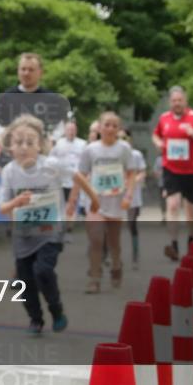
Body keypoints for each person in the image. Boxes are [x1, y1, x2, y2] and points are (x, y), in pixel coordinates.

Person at [0, 115, 99, 334]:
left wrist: (94, 198)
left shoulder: (51, 165)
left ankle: (56, 310)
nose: (24, 147)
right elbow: (2, 207)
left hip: (50, 232)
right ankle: (35, 319)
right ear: (10, 146)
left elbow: (78, 177)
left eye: (30, 142)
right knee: (25, 283)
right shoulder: (9, 172)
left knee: (43, 271)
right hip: (23, 236)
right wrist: (16, 202)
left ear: (40, 145)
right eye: (18, 142)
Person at [71, 112, 137, 293]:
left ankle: (116, 265)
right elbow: (80, 176)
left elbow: (131, 174)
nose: (110, 129)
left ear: (119, 129)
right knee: (96, 239)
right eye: (107, 124)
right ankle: (95, 277)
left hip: (116, 201)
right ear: (99, 127)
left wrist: (128, 196)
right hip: (95, 201)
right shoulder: (90, 150)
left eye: (115, 126)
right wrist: (73, 201)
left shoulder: (123, 149)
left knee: (114, 241)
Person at [152, 86, 193, 262]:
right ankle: (174, 244)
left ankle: (191, 239)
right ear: (169, 102)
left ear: (185, 101)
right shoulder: (164, 118)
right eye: (173, 101)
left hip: (192, 170)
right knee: (172, 205)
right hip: (170, 168)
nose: (177, 103)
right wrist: (159, 143)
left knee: (190, 209)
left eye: (180, 100)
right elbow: (155, 135)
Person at [0, 53, 64, 131]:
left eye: (31, 70)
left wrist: (51, 139)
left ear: (40, 72)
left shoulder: (52, 99)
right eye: (23, 69)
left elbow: (60, 127)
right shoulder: (6, 97)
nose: (26, 73)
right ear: (18, 71)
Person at [121, 131, 147, 270]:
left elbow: (143, 172)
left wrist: (134, 180)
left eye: (125, 138)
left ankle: (135, 257)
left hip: (133, 197)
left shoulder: (136, 155)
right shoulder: (111, 154)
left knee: (131, 225)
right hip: (114, 196)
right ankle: (108, 255)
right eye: (119, 138)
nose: (122, 140)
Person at [50, 121, 87, 204]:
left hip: (78, 180)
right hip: (63, 181)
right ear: (65, 131)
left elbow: (86, 162)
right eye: (69, 130)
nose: (71, 132)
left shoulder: (83, 144)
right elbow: (51, 158)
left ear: (76, 131)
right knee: (64, 205)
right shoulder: (59, 143)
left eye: (73, 130)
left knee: (75, 206)